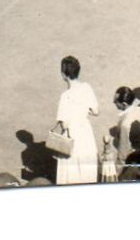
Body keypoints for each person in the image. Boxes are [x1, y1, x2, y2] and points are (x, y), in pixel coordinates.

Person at [53, 56, 101, 185]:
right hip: (86, 135)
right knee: (87, 172)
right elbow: (96, 111)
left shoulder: (65, 96)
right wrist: (83, 111)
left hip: (72, 136)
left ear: (64, 74)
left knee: (71, 174)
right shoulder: (87, 87)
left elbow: (64, 124)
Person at [109, 86, 140, 180]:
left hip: (132, 163)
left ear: (124, 104)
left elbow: (123, 154)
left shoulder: (125, 124)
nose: (113, 103)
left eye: (116, 102)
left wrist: (116, 174)